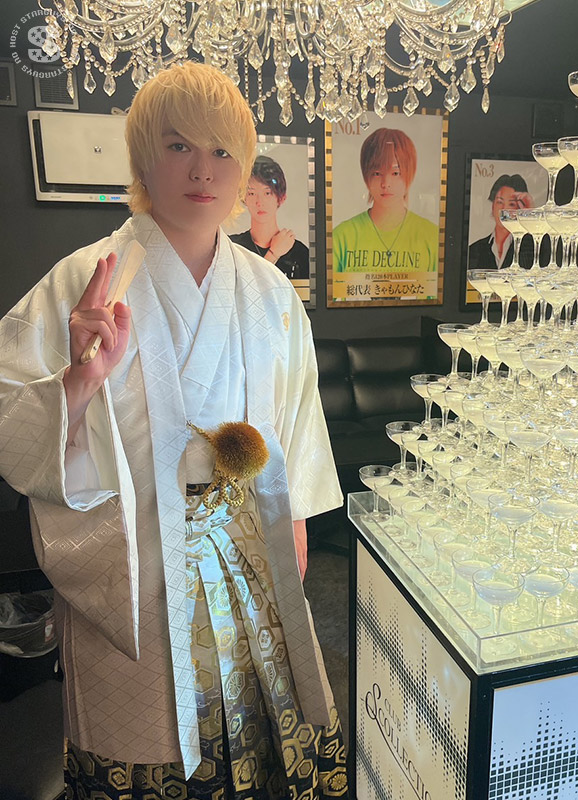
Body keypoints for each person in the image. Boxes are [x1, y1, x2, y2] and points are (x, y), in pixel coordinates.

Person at [0, 63, 347, 799]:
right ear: (143, 157)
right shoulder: (81, 282)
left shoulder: (271, 292)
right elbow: (9, 414)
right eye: (179, 145)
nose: (202, 170)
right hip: (133, 566)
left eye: (223, 151)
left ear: (244, 169)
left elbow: (296, 424)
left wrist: (295, 531)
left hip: (250, 555)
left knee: (254, 739)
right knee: (146, 742)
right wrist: (78, 381)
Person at [332, 127, 439, 273]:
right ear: (366, 176)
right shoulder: (342, 237)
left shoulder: (431, 237)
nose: (386, 183)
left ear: (410, 173)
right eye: (377, 173)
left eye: (396, 173)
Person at [232, 155, 310, 280]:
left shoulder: (300, 253)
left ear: (281, 198)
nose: (259, 202)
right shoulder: (233, 247)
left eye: (267, 193)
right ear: (243, 198)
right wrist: (273, 254)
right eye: (251, 193)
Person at [468, 173, 535, 270]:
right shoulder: (474, 249)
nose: (504, 209)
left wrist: (530, 215)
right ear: (493, 206)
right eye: (500, 202)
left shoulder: (531, 247)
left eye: (511, 204)